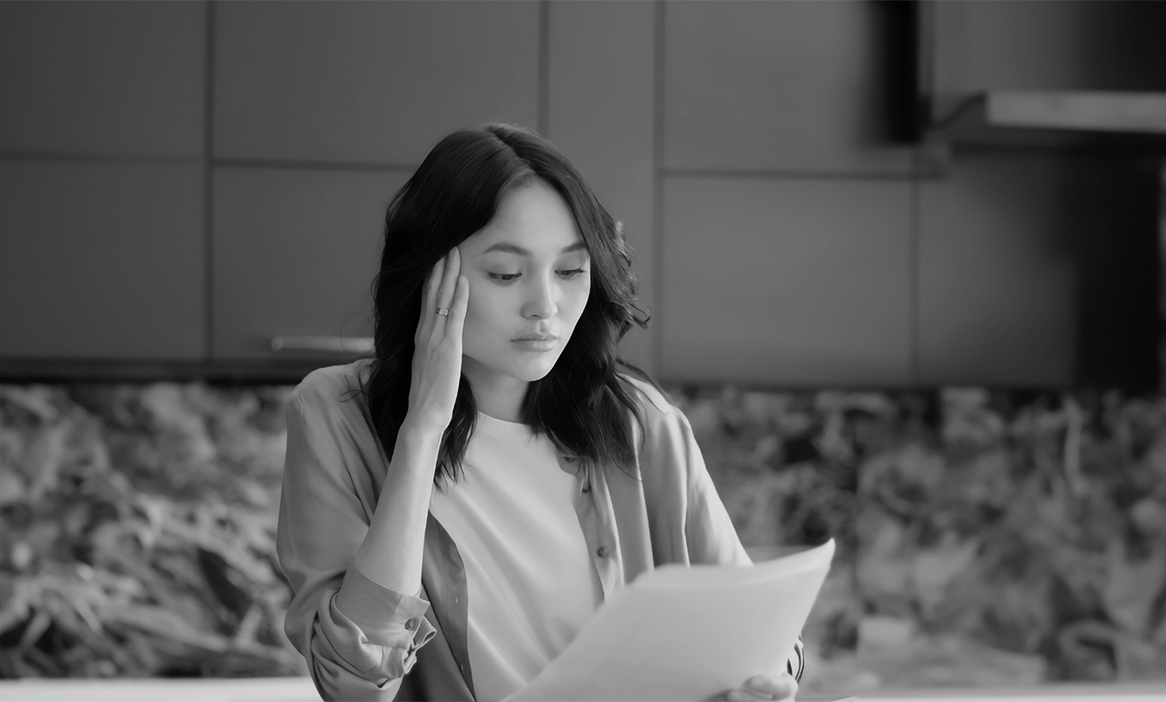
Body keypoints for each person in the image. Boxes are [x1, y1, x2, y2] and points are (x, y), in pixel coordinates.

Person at [277, 124, 804, 702]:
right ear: (429, 275)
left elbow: (757, 626)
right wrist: (422, 431)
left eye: (570, 271)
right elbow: (354, 684)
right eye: (506, 274)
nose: (545, 307)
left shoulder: (640, 422)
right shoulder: (335, 412)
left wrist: (767, 675)